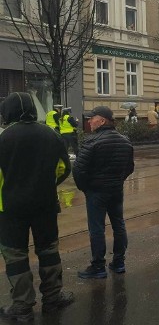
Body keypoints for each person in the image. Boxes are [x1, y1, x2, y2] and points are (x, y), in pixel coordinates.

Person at [0, 92, 75, 321]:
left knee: (15, 256)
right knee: (48, 250)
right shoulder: (50, 135)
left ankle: (22, 305)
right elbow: (64, 167)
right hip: (45, 205)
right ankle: (53, 297)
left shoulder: (3, 138)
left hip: (10, 209)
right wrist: (45, 185)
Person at [73, 106, 134, 279]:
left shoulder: (92, 141)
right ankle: (119, 262)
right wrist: (117, 180)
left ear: (102, 120)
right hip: (116, 190)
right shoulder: (125, 141)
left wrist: (86, 188)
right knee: (119, 225)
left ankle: (98, 266)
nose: (89, 121)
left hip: (96, 192)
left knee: (97, 228)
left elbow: (78, 170)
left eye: (92, 118)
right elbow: (129, 168)